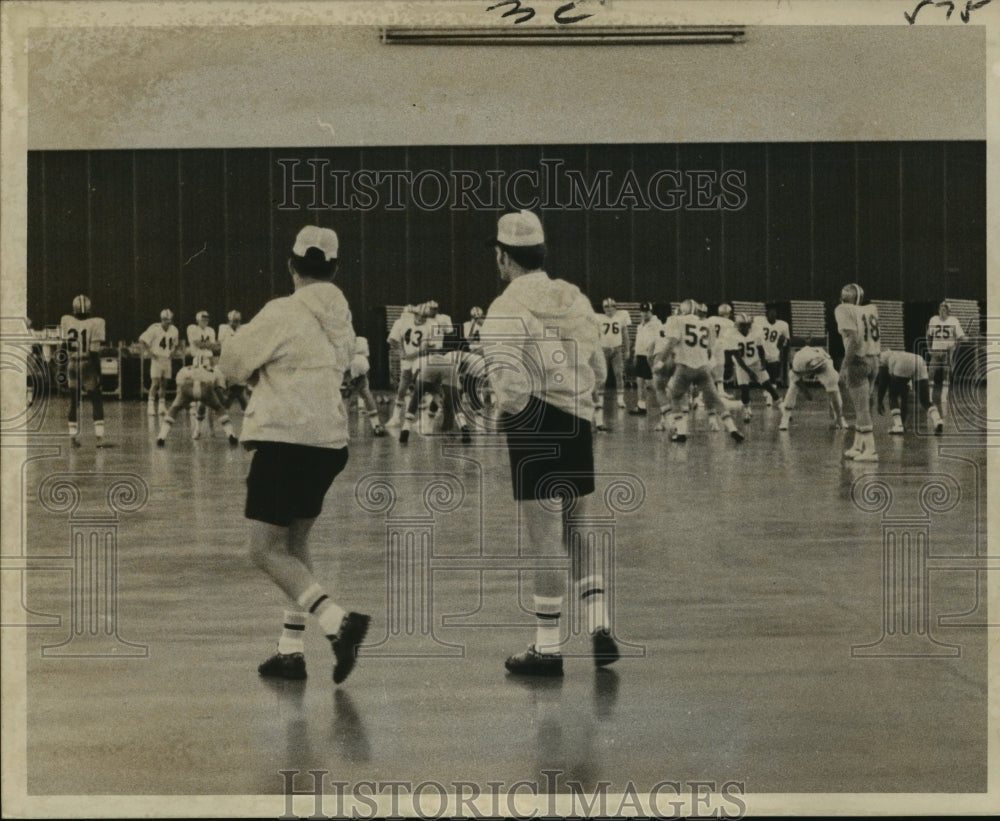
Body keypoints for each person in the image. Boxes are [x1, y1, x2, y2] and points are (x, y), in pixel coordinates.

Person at [217, 225, 370, 685]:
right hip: (328, 446)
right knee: (295, 547)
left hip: (285, 442)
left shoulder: (281, 311)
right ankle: (290, 650)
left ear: (291, 265)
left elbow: (231, 363)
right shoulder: (341, 318)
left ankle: (338, 622)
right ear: (335, 268)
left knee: (263, 551)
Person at [479, 210, 618, 677]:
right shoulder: (574, 297)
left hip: (536, 419)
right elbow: (599, 367)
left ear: (502, 257)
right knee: (578, 527)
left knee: (544, 540)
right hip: (577, 416)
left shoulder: (505, 307)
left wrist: (509, 413)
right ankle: (599, 625)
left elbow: (507, 380)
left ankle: (547, 647)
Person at [655, 300, 744, 443]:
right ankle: (733, 428)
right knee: (716, 400)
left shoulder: (679, 321)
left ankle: (681, 432)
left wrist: (660, 362)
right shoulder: (706, 324)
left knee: (675, 397)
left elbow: (671, 343)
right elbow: (709, 349)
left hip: (684, 367)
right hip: (703, 368)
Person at [836, 282, 881, 461]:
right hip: (874, 360)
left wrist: (843, 365)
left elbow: (854, 339)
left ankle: (871, 451)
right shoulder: (870, 309)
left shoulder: (842, 309)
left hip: (858, 361)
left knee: (861, 409)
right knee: (861, 408)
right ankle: (857, 446)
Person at [59, 295, 106, 447]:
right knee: (96, 400)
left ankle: (72, 438)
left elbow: (63, 348)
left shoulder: (66, 320)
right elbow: (94, 352)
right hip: (87, 363)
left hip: (72, 363)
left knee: (74, 402)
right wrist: (98, 373)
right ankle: (99, 439)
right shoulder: (96, 323)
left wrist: (61, 370)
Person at [154, 361, 239, 445]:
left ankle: (162, 436)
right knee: (219, 408)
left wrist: (183, 402)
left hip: (187, 384)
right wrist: (229, 398)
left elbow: (179, 387)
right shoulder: (216, 371)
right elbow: (221, 397)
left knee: (174, 409)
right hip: (205, 386)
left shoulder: (186, 368)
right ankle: (230, 434)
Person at [876, 348, 944, 435]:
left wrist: (879, 401)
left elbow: (883, 383)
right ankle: (937, 420)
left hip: (902, 363)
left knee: (892, 395)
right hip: (918, 360)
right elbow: (904, 396)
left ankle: (898, 425)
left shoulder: (881, 357)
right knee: (925, 400)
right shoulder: (893, 353)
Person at [778, 345, 847, 431]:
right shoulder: (798, 362)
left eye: (819, 371)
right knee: (793, 388)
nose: (817, 374)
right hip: (804, 361)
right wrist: (805, 391)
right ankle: (785, 418)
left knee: (834, 389)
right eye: (816, 371)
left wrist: (839, 418)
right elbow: (794, 376)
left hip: (822, 360)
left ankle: (839, 417)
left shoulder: (828, 368)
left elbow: (834, 393)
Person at [731, 313, 781, 423]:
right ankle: (747, 409)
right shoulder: (732, 336)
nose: (745, 327)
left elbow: (761, 349)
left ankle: (782, 407)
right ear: (737, 325)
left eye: (747, 325)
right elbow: (737, 357)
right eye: (742, 325)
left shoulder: (756, 334)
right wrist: (749, 372)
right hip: (742, 365)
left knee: (768, 385)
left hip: (756, 362)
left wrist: (763, 364)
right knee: (744, 389)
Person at [386, 304, 429, 427]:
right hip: (407, 360)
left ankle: (423, 418)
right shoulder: (402, 323)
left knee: (420, 388)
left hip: (420, 360)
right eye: (420, 315)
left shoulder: (428, 327)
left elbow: (426, 349)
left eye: (424, 316)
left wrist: (410, 355)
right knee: (401, 389)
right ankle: (395, 417)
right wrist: (402, 352)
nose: (422, 318)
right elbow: (393, 340)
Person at [926, 300, 966, 413]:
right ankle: (929, 395)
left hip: (947, 351)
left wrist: (954, 347)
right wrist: (929, 348)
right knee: (931, 372)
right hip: (936, 350)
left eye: (944, 309)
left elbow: (960, 337)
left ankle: (944, 396)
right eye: (941, 308)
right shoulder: (933, 319)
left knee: (946, 373)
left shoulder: (954, 321)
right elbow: (928, 335)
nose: (942, 310)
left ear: (948, 311)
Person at [343, 336, 386, 436]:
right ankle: (376, 424)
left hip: (349, 364)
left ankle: (342, 428)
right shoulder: (362, 340)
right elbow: (366, 358)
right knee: (366, 394)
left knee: (345, 397)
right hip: (362, 365)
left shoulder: (343, 336)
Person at [139, 309, 179, 415]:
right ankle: (151, 406)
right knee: (155, 383)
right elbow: (142, 340)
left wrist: (173, 352)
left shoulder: (174, 330)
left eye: (169, 320)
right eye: (166, 320)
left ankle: (162, 406)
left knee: (164, 384)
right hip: (157, 358)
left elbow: (175, 344)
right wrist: (150, 353)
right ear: (162, 319)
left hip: (167, 358)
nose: (168, 323)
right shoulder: (154, 328)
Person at [598, 297, 632, 409]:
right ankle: (600, 400)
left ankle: (621, 400)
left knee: (619, 374)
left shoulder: (621, 317)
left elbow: (625, 335)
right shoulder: (598, 318)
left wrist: (627, 349)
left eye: (611, 306)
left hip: (617, 350)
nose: (609, 309)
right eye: (606, 307)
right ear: (603, 308)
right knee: (602, 375)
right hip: (603, 349)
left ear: (615, 307)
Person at [752, 304, 790, 404]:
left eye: (775, 312)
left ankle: (769, 396)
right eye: (771, 312)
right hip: (760, 352)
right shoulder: (759, 321)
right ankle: (767, 392)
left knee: (772, 377)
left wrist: (779, 349)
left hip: (773, 353)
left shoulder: (783, 325)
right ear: (766, 313)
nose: (773, 314)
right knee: (764, 377)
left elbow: (785, 338)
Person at [628, 302, 661, 416]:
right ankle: (641, 406)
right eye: (643, 311)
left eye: (647, 311)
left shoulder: (655, 324)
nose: (645, 314)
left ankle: (667, 404)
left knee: (653, 384)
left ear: (651, 312)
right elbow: (639, 342)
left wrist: (650, 357)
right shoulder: (641, 325)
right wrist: (636, 355)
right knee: (640, 381)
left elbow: (653, 342)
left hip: (650, 356)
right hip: (641, 355)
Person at [217, 310, 249, 411]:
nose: (236, 323)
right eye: (234, 321)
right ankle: (244, 409)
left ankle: (226, 408)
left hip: (238, 361)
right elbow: (224, 342)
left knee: (238, 387)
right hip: (226, 361)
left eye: (237, 321)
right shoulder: (223, 328)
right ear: (229, 320)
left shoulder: (243, 329)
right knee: (226, 387)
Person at [705, 303, 736, 401]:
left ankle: (720, 391)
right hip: (718, 346)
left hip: (710, 345)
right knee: (713, 368)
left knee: (718, 368)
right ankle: (702, 395)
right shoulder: (730, 323)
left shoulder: (711, 319)